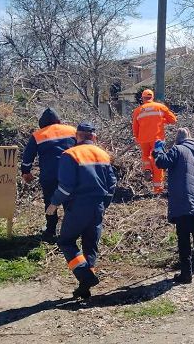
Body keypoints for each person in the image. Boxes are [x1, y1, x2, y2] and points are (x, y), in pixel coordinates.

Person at [47, 122, 117, 299]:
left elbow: (66, 187)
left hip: (78, 206)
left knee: (66, 242)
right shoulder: (103, 155)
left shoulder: (69, 154)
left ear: (77, 136)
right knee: (90, 246)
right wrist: (104, 204)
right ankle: (85, 287)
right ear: (93, 137)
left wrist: (54, 204)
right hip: (98, 206)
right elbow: (112, 185)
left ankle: (85, 277)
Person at [153, 128, 194, 284]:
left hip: (185, 197)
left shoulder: (178, 149)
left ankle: (186, 273)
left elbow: (162, 162)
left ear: (178, 140)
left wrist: (158, 150)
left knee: (183, 235)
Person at [21, 108, 77, 241]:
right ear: (58, 120)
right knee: (71, 202)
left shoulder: (38, 135)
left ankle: (51, 230)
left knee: (50, 202)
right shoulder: (72, 130)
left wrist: (25, 172)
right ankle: (72, 230)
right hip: (71, 173)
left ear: (42, 123)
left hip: (49, 175)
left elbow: (28, 157)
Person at [132, 89, 177, 194]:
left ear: (143, 98)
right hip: (157, 139)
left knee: (145, 156)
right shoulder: (160, 107)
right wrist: (161, 120)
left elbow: (135, 126)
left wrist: (136, 137)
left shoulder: (138, 110)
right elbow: (173, 120)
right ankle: (158, 189)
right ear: (152, 97)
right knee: (157, 161)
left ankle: (147, 168)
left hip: (143, 139)